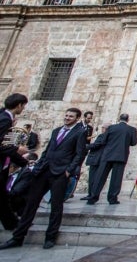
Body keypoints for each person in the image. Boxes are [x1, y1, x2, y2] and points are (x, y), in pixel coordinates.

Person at [0, 107, 86, 251]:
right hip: (44, 170)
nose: (67, 118)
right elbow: (48, 150)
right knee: (30, 204)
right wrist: (39, 165)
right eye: (66, 115)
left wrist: (69, 171)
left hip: (60, 172)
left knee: (56, 206)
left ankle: (50, 237)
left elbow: (79, 154)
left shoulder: (80, 132)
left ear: (77, 118)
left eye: (71, 116)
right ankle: (18, 237)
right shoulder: (56, 131)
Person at [86, 114, 137, 205]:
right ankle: (112, 198)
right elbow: (133, 143)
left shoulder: (111, 128)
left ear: (119, 119)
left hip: (107, 155)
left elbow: (103, 140)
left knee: (100, 176)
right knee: (116, 178)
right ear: (128, 119)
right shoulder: (132, 129)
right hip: (121, 156)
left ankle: (93, 197)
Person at [0, 93, 29, 231]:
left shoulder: (5, 117)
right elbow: (3, 145)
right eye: (23, 106)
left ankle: (11, 223)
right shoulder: (5, 119)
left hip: (4, 165)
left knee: (3, 196)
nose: (23, 109)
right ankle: (12, 223)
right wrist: (19, 151)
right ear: (19, 105)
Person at [80, 122, 110, 201]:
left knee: (92, 177)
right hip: (100, 159)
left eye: (102, 127)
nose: (102, 129)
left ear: (105, 128)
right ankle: (92, 194)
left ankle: (91, 194)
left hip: (96, 158)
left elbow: (96, 145)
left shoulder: (102, 136)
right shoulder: (109, 137)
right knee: (96, 178)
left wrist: (86, 146)